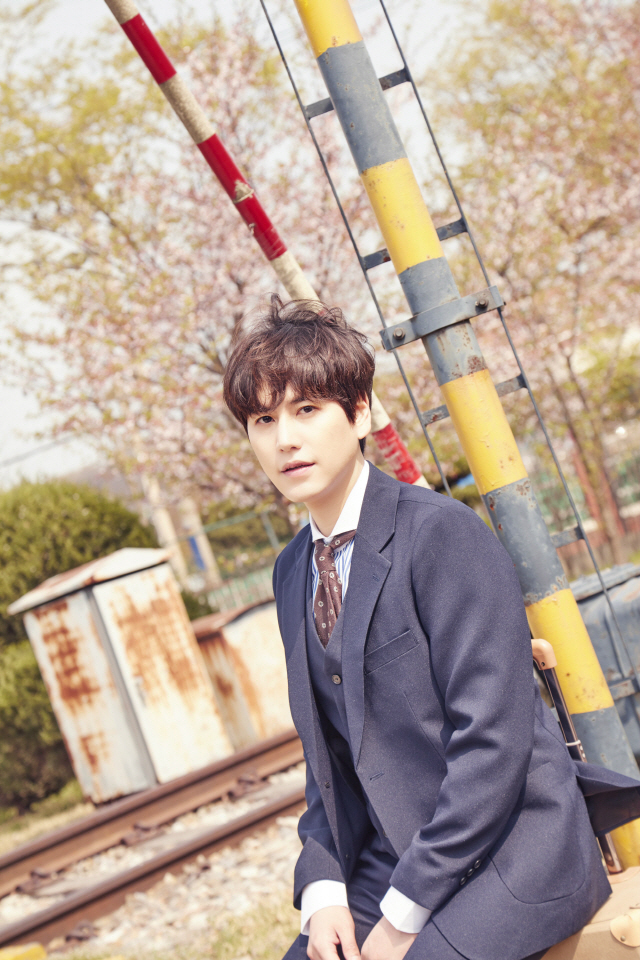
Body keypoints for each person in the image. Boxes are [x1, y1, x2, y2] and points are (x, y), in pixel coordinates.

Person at [222, 296, 640, 960]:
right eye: (263, 420)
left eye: (307, 410)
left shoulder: (441, 535)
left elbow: (493, 745)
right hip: (393, 856)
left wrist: (402, 915)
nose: (285, 440)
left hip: (512, 851)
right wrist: (324, 887)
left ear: (359, 412)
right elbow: (328, 759)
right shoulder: (292, 569)